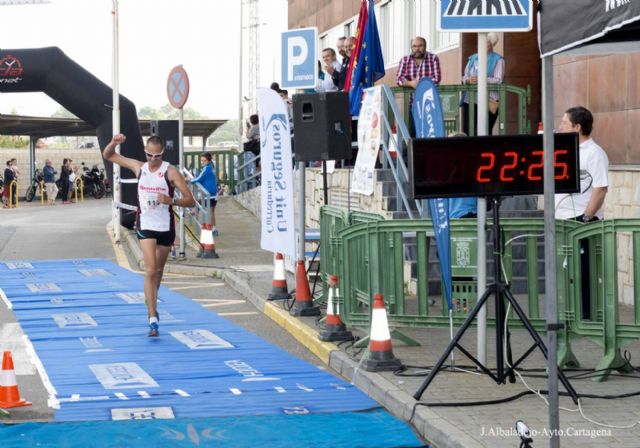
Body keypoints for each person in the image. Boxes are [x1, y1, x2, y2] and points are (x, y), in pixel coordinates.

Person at [102, 133, 195, 337]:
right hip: (145, 224)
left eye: (157, 156)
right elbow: (108, 155)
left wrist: (171, 201)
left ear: (163, 153)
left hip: (165, 227)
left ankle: (151, 296)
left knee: (159, 270)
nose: (153, 160)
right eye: (150, 155)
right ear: (145, 153)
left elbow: (190, 200)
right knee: (150, 270)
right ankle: (152, 317)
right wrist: (114, 143)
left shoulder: (170, 172)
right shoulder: (139, 167)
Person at [555, 106, 609, 320]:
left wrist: (586, 218)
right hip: (561, 218)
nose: (559, 127)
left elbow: (601, 188)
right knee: (565, 269)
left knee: (583, 270)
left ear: (577, 127)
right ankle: (568, 312)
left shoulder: (595, 153)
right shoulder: (565, 150)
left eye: (564, 123)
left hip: (582, 220)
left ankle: (587, 316)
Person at [461, 32, 505, 135]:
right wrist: (467, 80)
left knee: (486, 130)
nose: (484, 44)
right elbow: (464, 76)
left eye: (488, 43)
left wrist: (481, 79)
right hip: (471, 100)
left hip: (489, 100)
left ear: (492, 45)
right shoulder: (473, 58)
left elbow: (498, 79)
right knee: (468, 130)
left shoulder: (498, 60)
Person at [396, 36, 441, 105]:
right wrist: (411, 83)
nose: (417, 49)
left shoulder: (433, 58)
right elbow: (398, 79)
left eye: (420, 46)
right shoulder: (405, 60)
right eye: (414, 46)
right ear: (411, 48)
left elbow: (437, 79)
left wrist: (420, 84)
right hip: (410, 104)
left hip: (430, 104)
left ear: (425, 47)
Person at [190, 152, 218, 235]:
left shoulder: (207, 168)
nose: (202, 162)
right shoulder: (211, 167)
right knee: (211, 211)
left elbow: (200, 178)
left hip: (209, 194)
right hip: (213, 193)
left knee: (208, 210)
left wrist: (190, 180)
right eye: (201, 161)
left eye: (204, 161)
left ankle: (195, 211)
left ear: (209, 161)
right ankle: (214, 229)